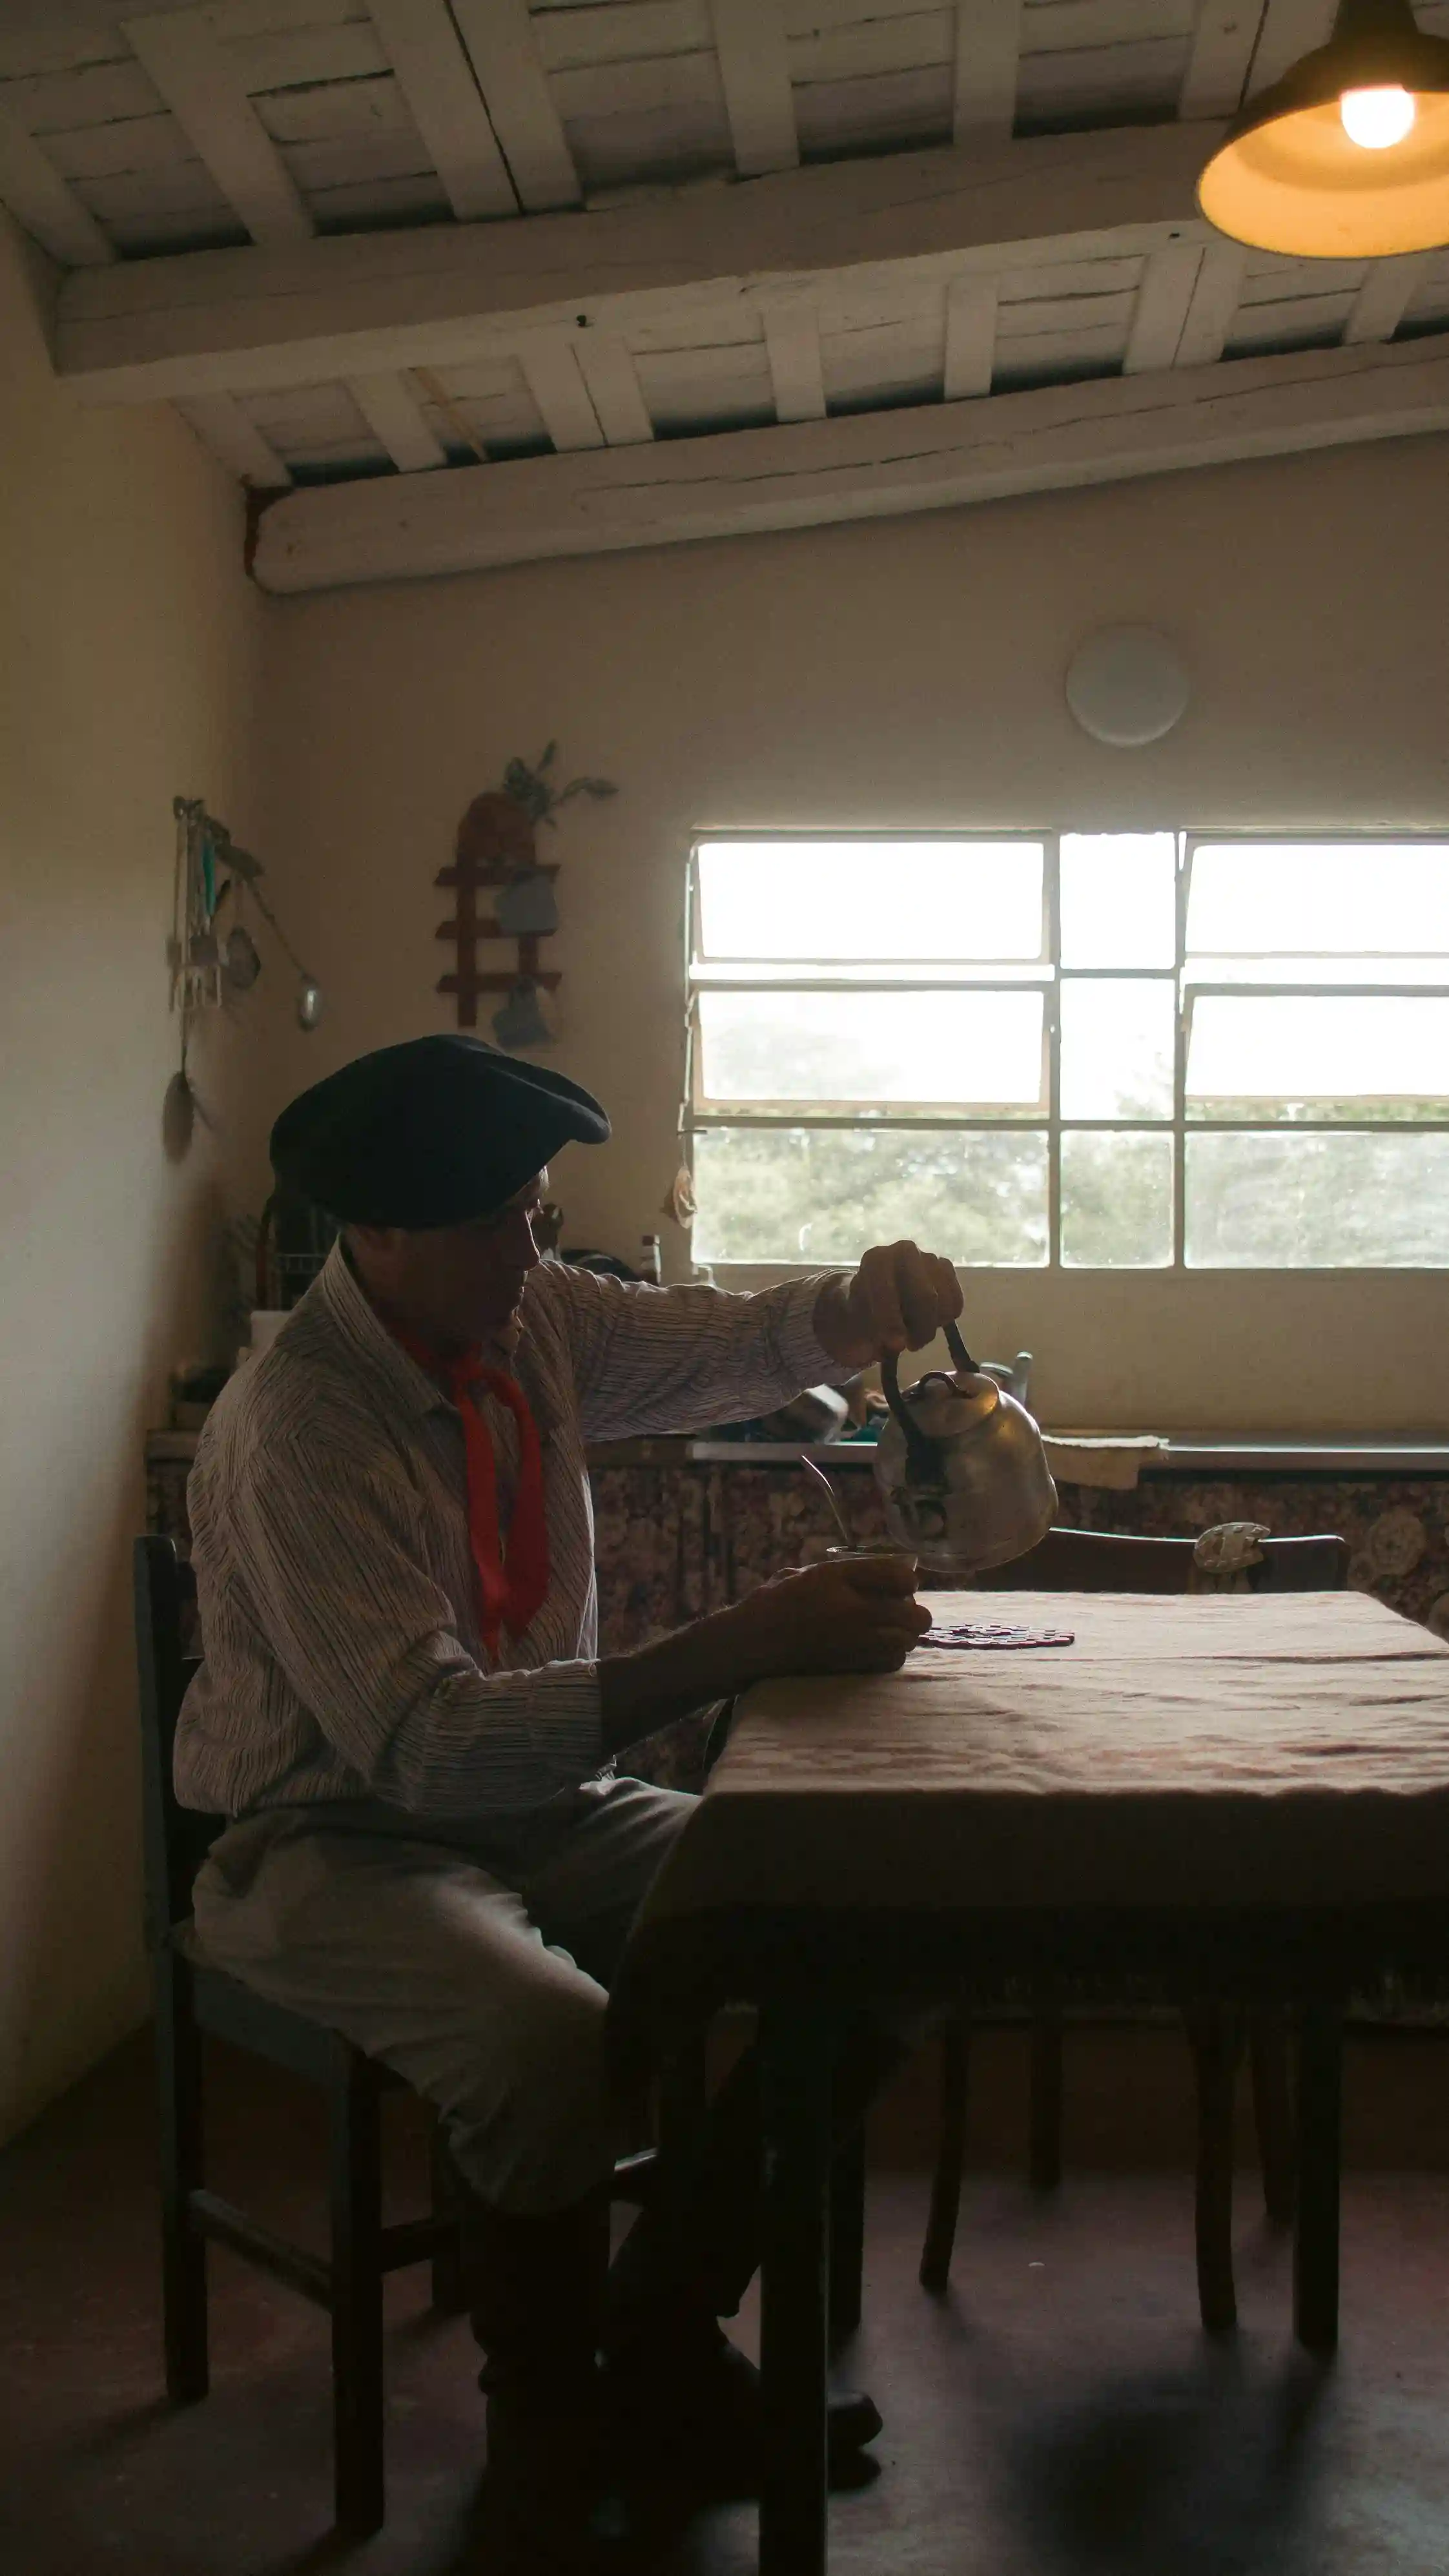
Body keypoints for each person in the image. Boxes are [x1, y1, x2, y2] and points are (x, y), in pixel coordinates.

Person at [175, 1035, 961, 2535]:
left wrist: (861, 1305)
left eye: (541, 1211)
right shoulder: (299, 1423)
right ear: (381, 1230)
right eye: (500, 1221)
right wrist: (732, 1646)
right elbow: (421, 1742)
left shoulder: (526, 1317)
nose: (534, 1250)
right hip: (323, 1839)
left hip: (544, 1809)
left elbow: (713, 1342)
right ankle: (548, 2414)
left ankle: (653, 2338)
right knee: (547, 2037)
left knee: (879, 1918)